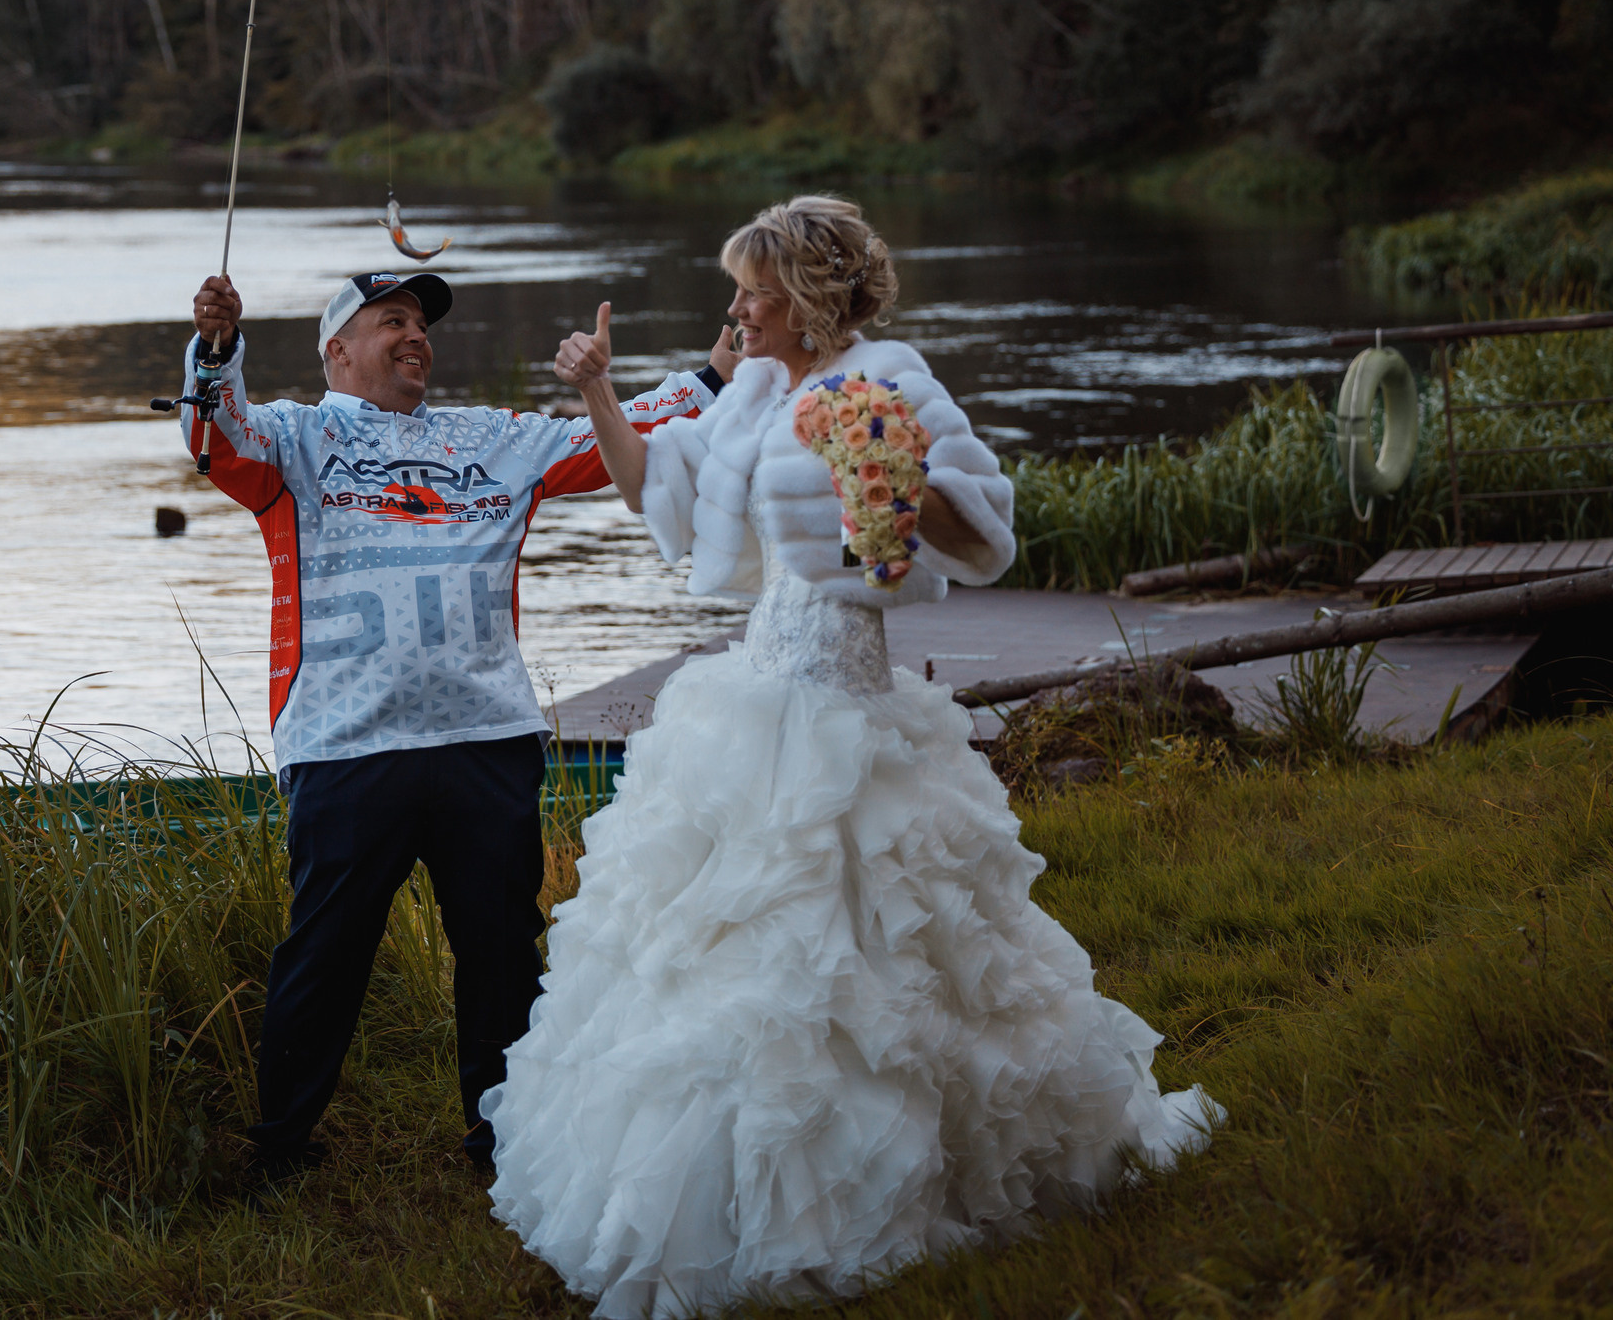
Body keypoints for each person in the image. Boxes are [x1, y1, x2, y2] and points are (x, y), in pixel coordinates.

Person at [481, 197, 1220, 1317]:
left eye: (751, 291)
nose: (734, 310)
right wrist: (594, 389)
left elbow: (987, 540)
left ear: (808, 295)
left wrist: (899, 482)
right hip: (749, 700)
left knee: (882, 952)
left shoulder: (891, 375)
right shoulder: (757, 389)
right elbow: (655, 493)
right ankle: (720, 1202)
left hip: (850, 703)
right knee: (720, 959)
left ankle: (895, 1191)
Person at [182, 269, 735, 1183]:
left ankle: (503, 1141)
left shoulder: (492, 436)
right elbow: (216, 437)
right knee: (324, 951)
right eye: (391, 321)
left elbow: (620, 437)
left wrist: (719, 364)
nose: (415, 336)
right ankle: (280, 1147)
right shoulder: (294, 436)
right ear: (337, 352)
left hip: (487, 736)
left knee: (500, 948)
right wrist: (215, 350)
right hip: (346, 742)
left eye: (422, 324)